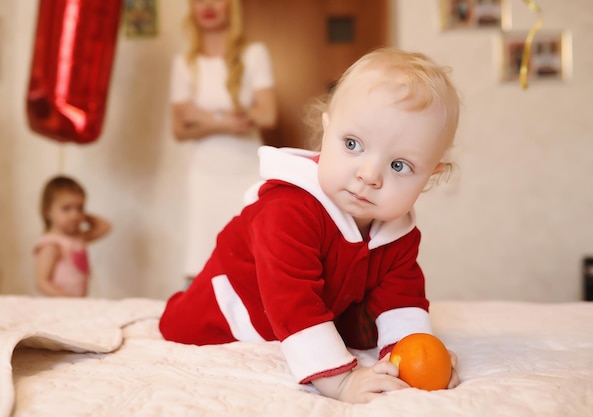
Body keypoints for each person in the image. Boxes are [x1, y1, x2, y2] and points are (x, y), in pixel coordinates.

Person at [160, 47, 461, 403]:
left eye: (399, 166)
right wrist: (341, 380)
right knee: (179, 325)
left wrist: (415, 353)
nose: (369, 175)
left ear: (431, 175)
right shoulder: (287, 209)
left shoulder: (396, 231)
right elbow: (293, 301)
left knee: (366, 321)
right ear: (326, 130)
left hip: (328, 304)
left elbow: (402, 299)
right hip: (237, 306)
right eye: (352, 144)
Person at [170, 0, 277, 284]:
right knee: (201, 256)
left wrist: (205, 117)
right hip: (204, 175)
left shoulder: (253, 54)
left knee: (251, 254)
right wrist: (230, 121)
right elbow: (179, 130)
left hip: (247, 172)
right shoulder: (185, 64)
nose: (208, 5)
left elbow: (267, 114)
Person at [34, 176, 111, 297]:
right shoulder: (51, 244)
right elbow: (42, 282)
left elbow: (105, 227)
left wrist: (82, 216)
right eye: (67, 208)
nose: (74, 215)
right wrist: (67, 299)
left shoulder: (79, 238)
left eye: (80, 208)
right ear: (47, 211)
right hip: (54, 304)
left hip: (75, 304)